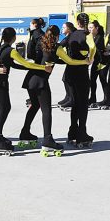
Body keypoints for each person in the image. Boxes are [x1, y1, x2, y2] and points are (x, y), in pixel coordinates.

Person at [19, 25, 88, 153]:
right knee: (46, 111)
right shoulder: (57, 47)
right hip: (41, 82)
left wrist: (57, 61)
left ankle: (25, 132)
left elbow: (43, 56)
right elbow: (71, 61)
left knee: (34, 105)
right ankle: (48, 140)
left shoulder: (40, 43)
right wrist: (85, 62)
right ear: (57, 36)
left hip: (30, 80)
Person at [0, 27, 51, 153]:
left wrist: (28, 69)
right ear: (14, 37)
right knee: (4, 109)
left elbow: (12, 64)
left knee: (4, 108)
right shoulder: (11, 50)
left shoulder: (1, 47)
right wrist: (42, 67)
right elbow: (26, 63)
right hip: (0, 82)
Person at [64, 13, 96, 147]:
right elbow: (93, 47)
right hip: (81, 74)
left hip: (70, 74)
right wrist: (90, 58)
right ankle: (82, 134)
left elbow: (59, 47)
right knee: (83, 105)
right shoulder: (87, 35)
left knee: (75, 104)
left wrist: (67, 59)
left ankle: (72, 132)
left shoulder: (71, 34)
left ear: (77, 22)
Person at [88, 20, 108, 107]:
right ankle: (92, 98)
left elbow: (93, 47)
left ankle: (106, 99)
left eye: (91, 27)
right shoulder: (92, 36)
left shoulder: (99, 37)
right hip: (96, 62)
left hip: (102, 63)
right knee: (92, 81)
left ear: (97, 28)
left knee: (103, 81)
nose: (90, 29)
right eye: (89, 27)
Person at [57, 22, 76, 108]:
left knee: (69, 80)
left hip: (73, 62)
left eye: (64, 27)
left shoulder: (70, 36)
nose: (62, 29)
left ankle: (71, 100)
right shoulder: (68, 36)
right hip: (70, 61)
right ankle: (68, 97)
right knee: (65, 79)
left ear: (69, 29)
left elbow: (61, 44)